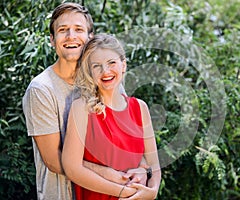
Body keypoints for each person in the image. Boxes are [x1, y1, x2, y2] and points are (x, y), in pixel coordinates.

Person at [23, 3, 148, 200]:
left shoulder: (106, 78)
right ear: (52, 40)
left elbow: (129, 141)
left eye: (78, 29)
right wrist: (107, 173)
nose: (71, 36)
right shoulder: (41, 89)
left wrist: (142, 169)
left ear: (90, 37)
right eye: (63, 30)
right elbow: (53, 160)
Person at [62, 33, 161, 199]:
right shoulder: (82, 108)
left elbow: (154, 165)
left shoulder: (140, 108)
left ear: (123, 65)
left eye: (111, 63)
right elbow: (72, 168)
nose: (105, 71)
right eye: (96, 66)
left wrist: (152, 191)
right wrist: (124, 192)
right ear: (89, 72)